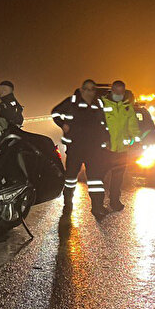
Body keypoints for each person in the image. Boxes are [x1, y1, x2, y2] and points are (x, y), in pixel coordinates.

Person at [51, 79, 110, 219]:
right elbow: (55, 113)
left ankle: (97, 207)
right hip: (76, 147)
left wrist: (106, 139)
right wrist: (63, 124)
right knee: (70, 178)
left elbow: (104, 123)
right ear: (82, 89)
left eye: (92, 89)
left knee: (96, 180)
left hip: (94, 148)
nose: (90, 92)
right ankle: (68, 204)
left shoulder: (98, 103)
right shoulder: (72, 101)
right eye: (87, 89)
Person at [101, 81, 142, 211]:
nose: (118, 94)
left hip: (121, 150)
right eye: (116, 91)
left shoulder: (127, 107)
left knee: (117, 179)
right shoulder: (102, 104)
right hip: (105, 149)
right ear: (111, 91)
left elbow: (133, 126)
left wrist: (136, 141)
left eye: (121, 92)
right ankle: (97, 204)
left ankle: (114, 201)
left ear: (123, 92)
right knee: (99, 177)